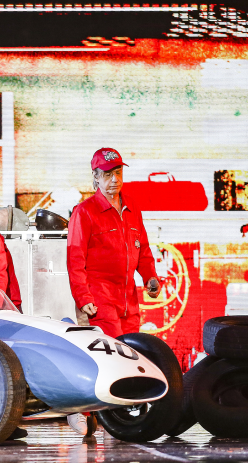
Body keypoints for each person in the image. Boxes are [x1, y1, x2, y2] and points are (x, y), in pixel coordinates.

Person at [65, 148, 162, 435]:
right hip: (98, 296)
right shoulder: (85, 213)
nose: (113, 180)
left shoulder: (132, 209)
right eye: (106, 175)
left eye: (117, 173)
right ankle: (78, 411)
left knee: (129, 355)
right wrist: (84, 299)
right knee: (100, 356)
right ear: (95, 178)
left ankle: (119, 414)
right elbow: (75, 261)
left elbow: (142, 251)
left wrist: (150, 278)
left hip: (127, 296)